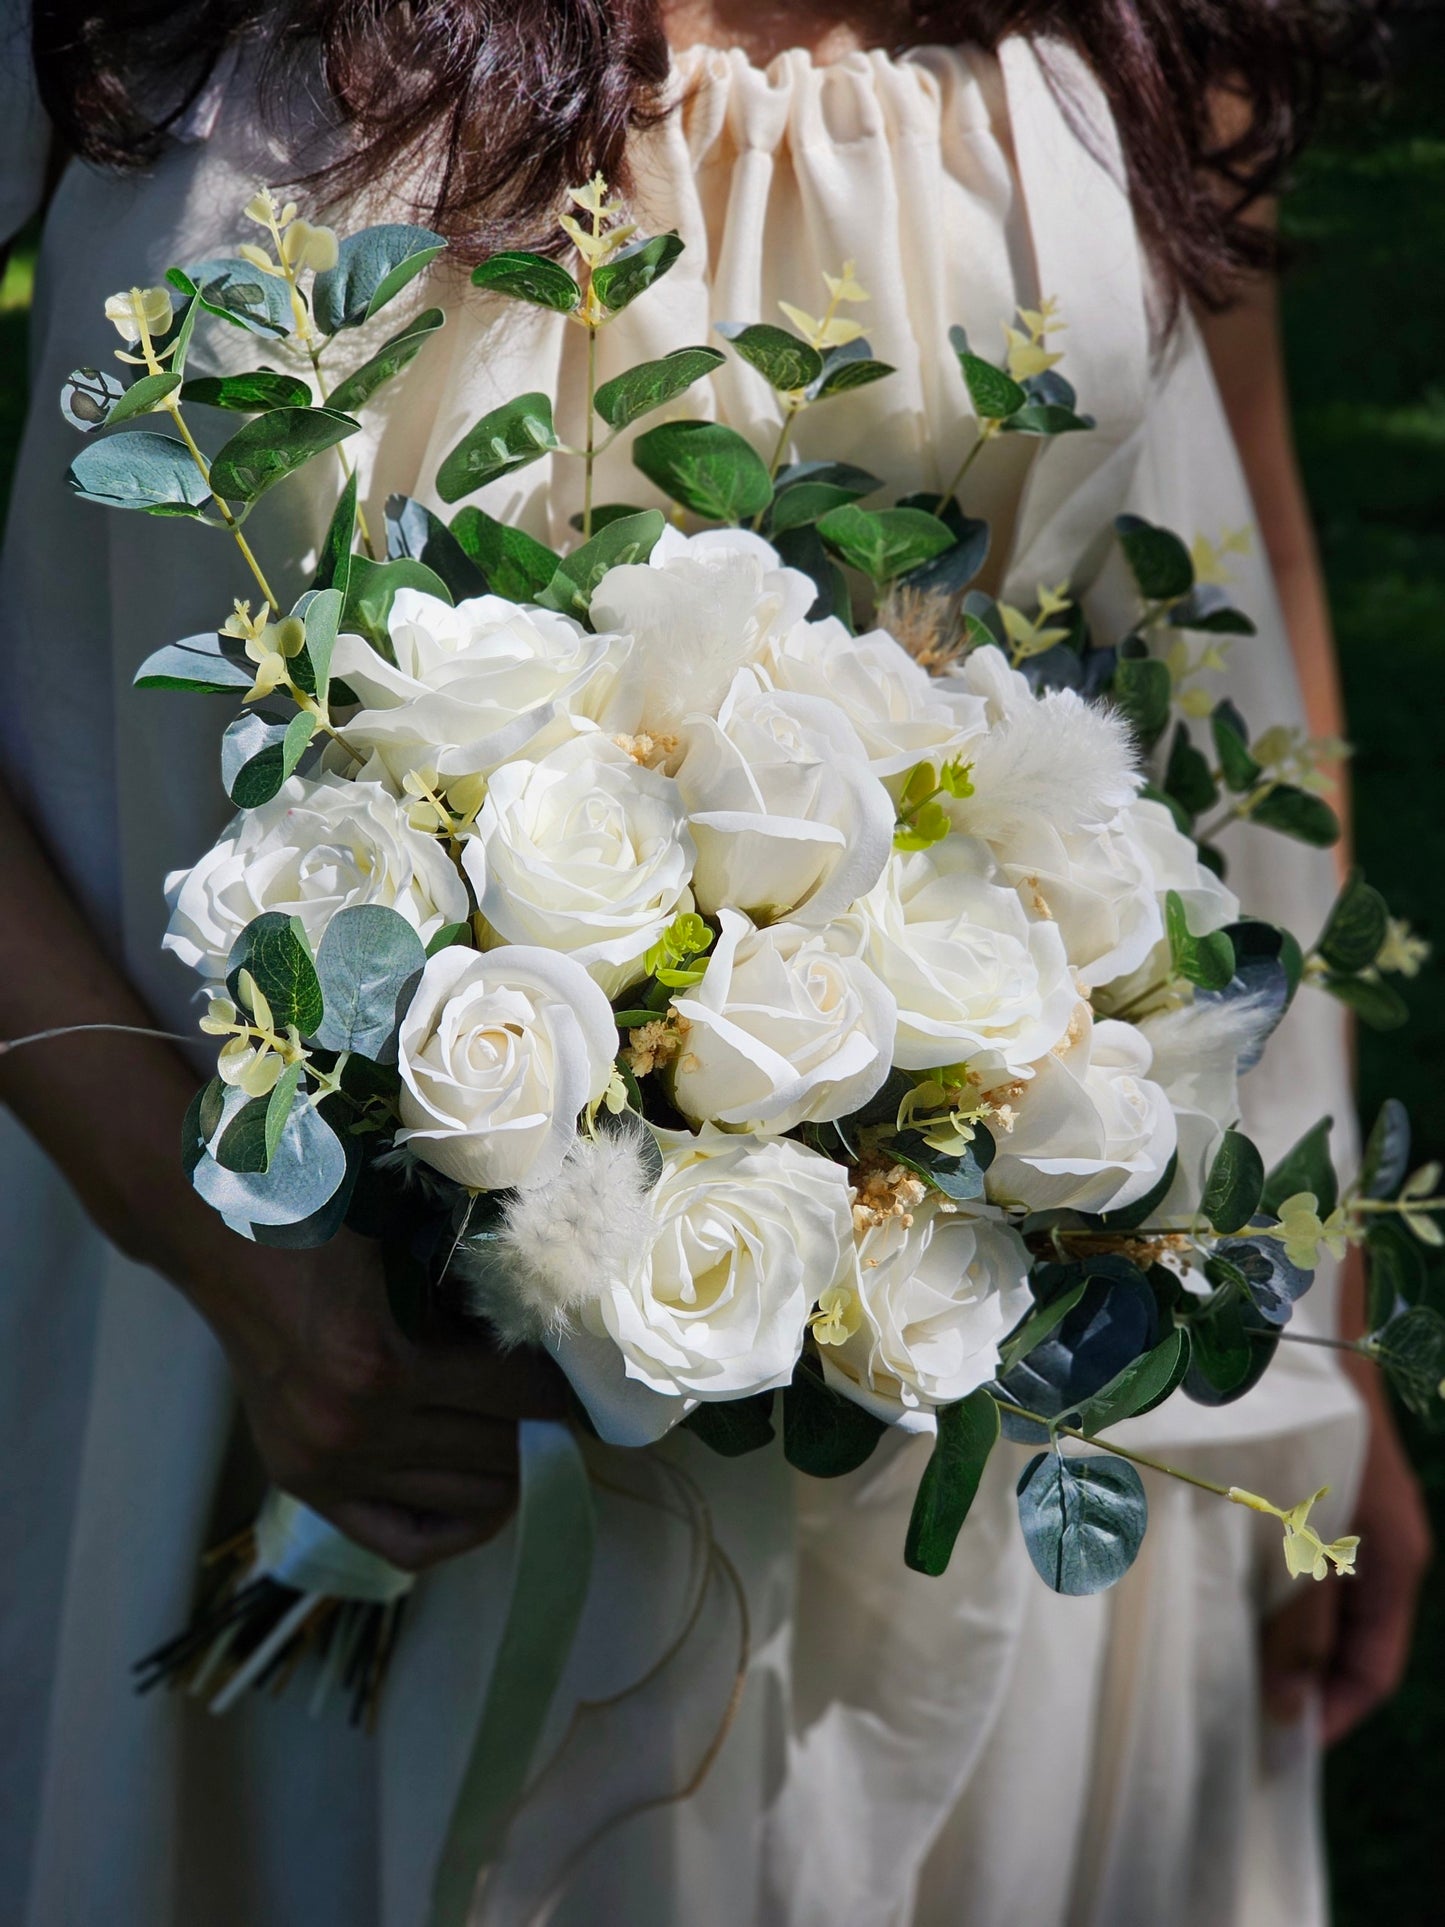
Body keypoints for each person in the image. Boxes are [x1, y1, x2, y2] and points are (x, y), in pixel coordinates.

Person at [0, 0, 1430, 1921]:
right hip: (249, 1367)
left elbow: (1237, 590)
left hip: (950, 1397)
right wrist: (219, 1254)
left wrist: (1299, 1339)